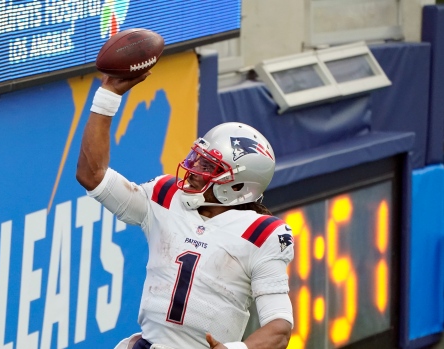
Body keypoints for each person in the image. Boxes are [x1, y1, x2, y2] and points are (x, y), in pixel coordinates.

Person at [76, 72, 294, 349]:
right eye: (198, 158)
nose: (192, 169)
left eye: (207, 167)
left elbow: (279, 328)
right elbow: (92, 174)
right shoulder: (167, 196)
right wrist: (108, 95)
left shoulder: (262, 234)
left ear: (237, 187)